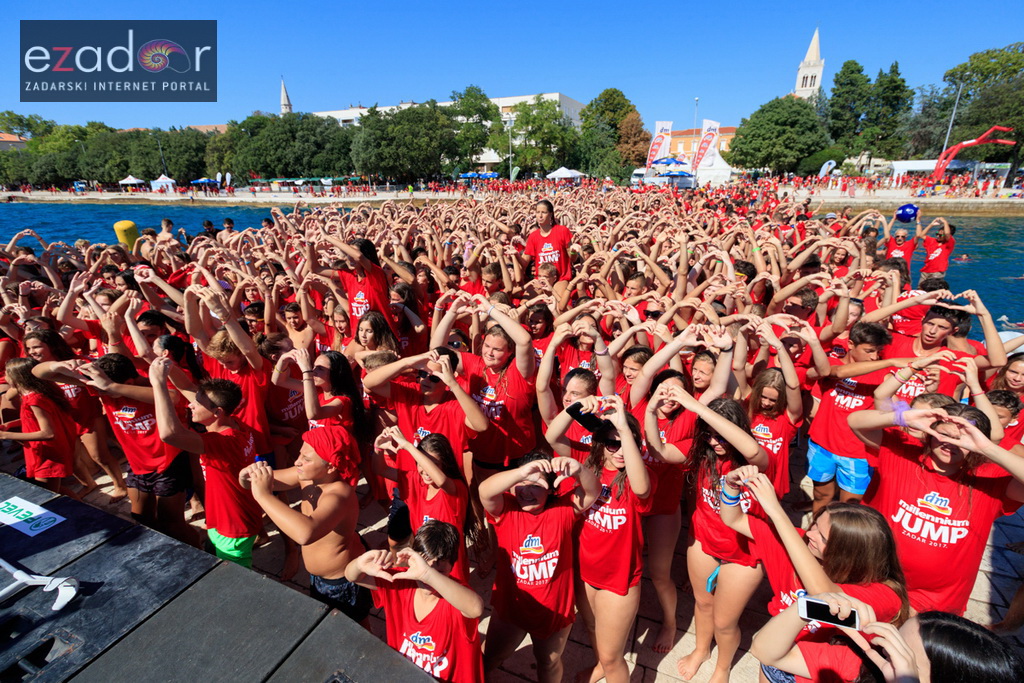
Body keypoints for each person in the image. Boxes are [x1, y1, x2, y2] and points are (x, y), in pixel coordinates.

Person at [849, 404, 1024, 615]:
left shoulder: (991, 479)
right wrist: (901, 417)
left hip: (937, 602)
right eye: (942, 434)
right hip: (874, 579)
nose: (949, 443)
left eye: (961, 439)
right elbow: (855, 421)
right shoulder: (903, 452)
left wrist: (988, 449)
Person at [479, 451, 599, 682]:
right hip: (510, 609)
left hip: (553, 612)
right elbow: (484, 490)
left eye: (536, 485)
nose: (526, 490)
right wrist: (523, 473)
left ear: (552, 489)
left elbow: (593, 491)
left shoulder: (564, 511)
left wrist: (579, 468)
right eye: (521, 484)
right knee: (490, 658)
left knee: (548, 661)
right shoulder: (506, 510)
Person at [242, 427, 370, 624]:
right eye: (300, 454)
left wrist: (263, 495)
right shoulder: (307, 475)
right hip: (320, 578)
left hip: (341, 581)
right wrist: (248, 475)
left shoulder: (339, 495)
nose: (297, 461)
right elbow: (263, 481)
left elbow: (305, 533)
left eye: (306, 458)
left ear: (330, 467)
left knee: (355, 631)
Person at [751, 591, 1024, 683]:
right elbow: (766, 652)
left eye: (901, 654)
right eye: (894, 637)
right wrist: (806, 607)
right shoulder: (869, 665)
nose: (884, 647)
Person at [149, 357, 262, 567]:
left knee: (235, 582)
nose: (191, 404)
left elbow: (169, 434)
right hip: (228, 518)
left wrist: (158, 384)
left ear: (217, 412)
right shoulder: (233, 422)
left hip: (232, 528)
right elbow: (186, 386)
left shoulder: (223, 442)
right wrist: (170, 366)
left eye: (197, 403)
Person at [569, 395, 650, 683]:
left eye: (625, 444)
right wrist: (579, 405)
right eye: (612, 443)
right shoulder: (589, 469)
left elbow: (641, 490)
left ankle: (606, 666)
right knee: (593, 630)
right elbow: (552, 434)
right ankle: (599, 665)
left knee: (614, 658)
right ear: (600, 445)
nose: (619, 451)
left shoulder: (635, 476)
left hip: (619, 580)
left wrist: (625, 427)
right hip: (585, 571)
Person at [345, 520, 485, 681]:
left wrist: (427, 573)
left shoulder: (455, 595)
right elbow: (351, 576)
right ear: (412, 558)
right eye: (424, 566)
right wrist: (360, 563)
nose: (427, 578)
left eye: (439, 572)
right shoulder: (399, 582)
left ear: (452, 567)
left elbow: (476, 608)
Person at [2, 358, 78, 496]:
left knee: (47, 493)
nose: (4, 377)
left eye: (7, 373)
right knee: (51, 491)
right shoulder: (33, 395)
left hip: (47, 454)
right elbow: (34, 421)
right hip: (42, 452)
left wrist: (5, 436)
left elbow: (48, 433)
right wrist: (11, 425)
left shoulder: (35, 399)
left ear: (18, 377)